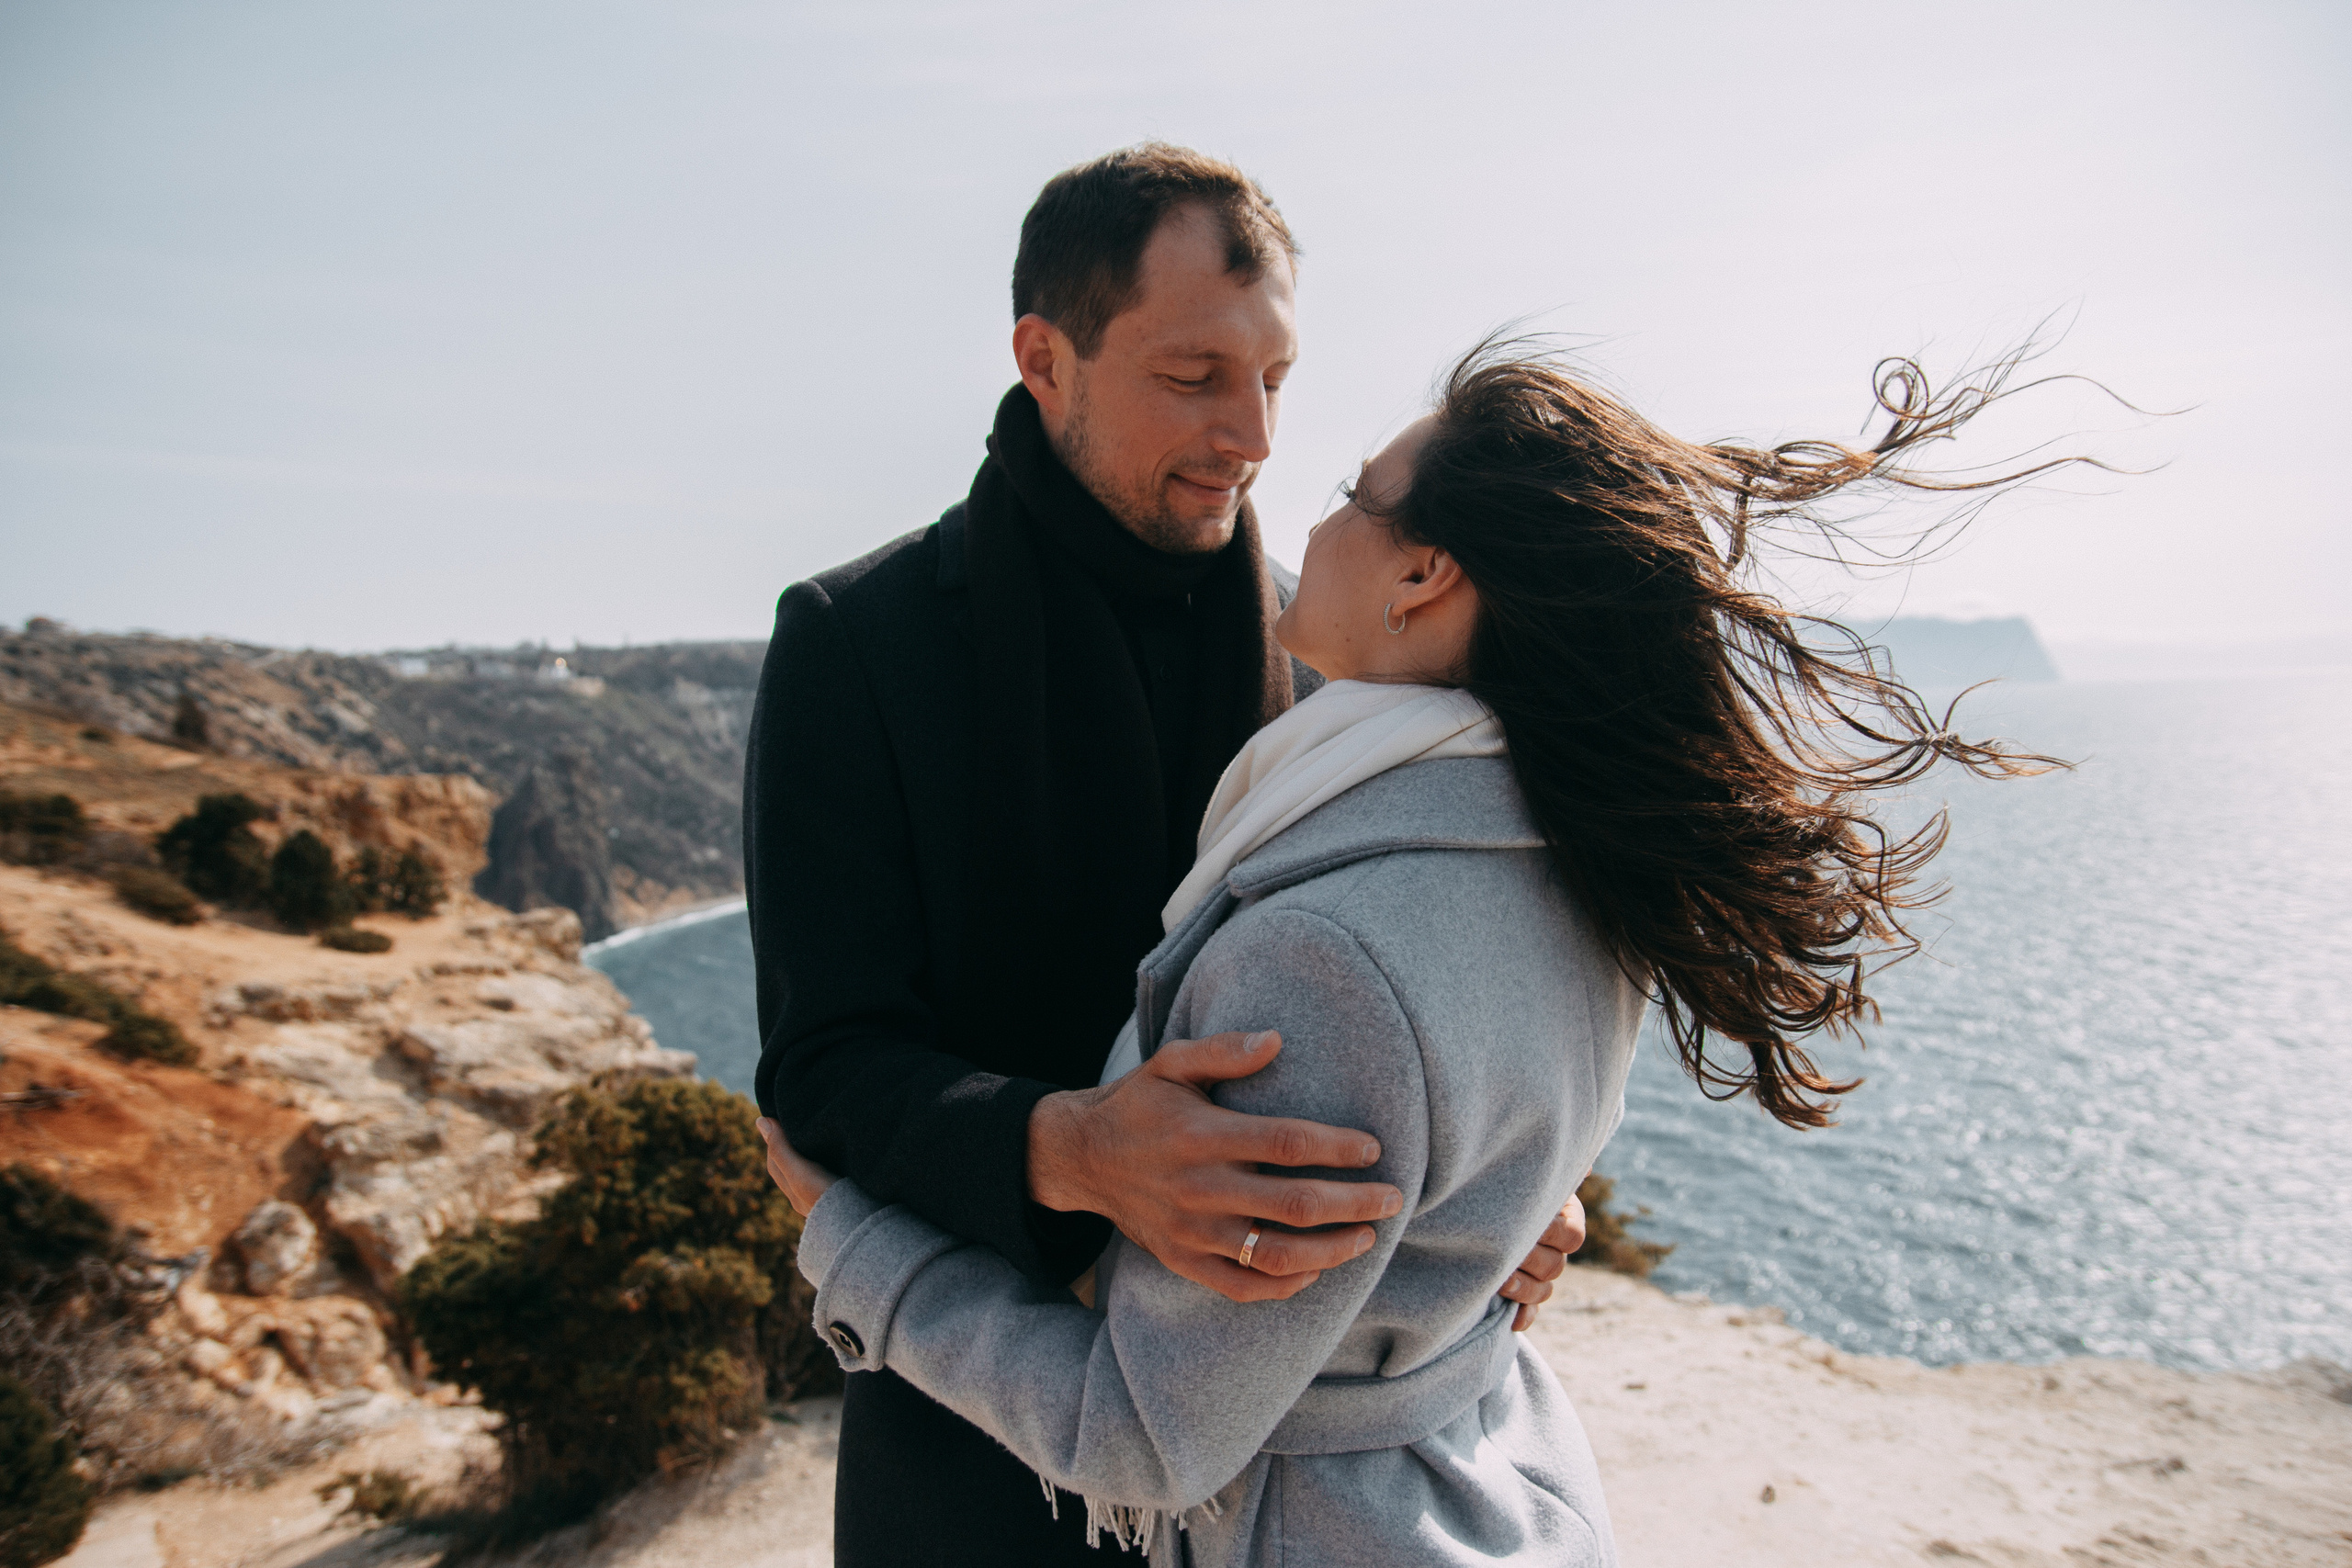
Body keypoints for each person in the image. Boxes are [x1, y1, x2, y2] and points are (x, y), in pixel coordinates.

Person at [760, 340, 2074, 1565]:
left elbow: (1146, 1438)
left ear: (1421, 577)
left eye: (1352, 487)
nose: (1278, 463)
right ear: (1048, 358)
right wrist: (1474, 1214)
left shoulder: (1322, 963)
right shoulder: (1573, 853)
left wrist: (850, 1237)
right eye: (1196, 372)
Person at [741, 145, 1582, 1567]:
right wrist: (1064, 1151)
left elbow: (1446, 965)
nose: (1252, 433)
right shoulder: (855, 642)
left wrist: (1498, 1188)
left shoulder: (1337, 650)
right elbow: (822, 1069)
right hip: (974, 1451)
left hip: (1285, 1473)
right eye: (1195, 378)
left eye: (1276, 380)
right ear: (1045, 357)